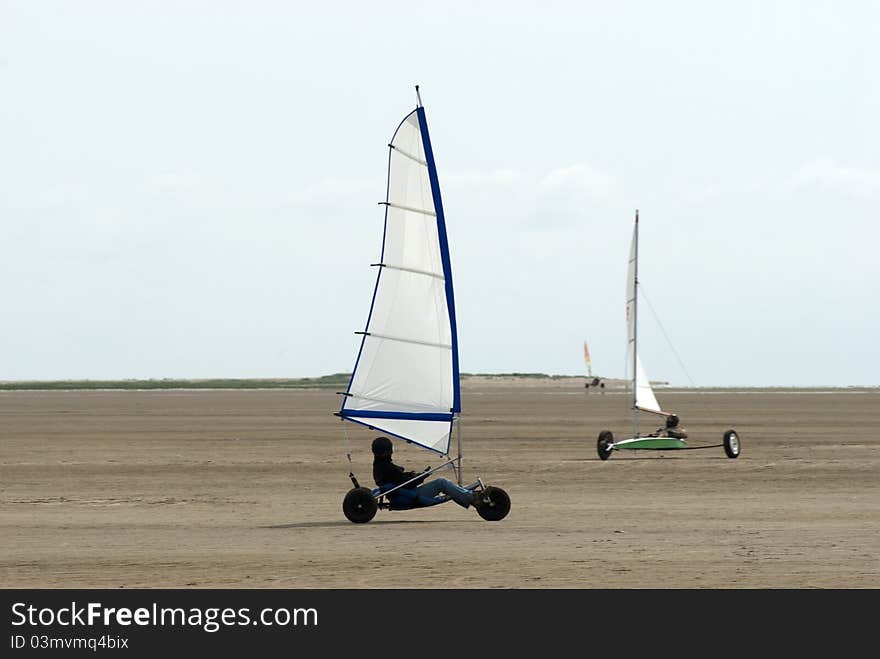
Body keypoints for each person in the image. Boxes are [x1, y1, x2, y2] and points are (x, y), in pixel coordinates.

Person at [371, 436, 477, 508]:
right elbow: (407, 483)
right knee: (442, 482)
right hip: (407, 496)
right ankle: (472, 498)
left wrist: (415, 475)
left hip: (402, 494)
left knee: (444, 484)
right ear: (388, 451)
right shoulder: (387, 467)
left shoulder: (379, 465)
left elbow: (399, 479)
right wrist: (421, 477)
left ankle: (467, 496)